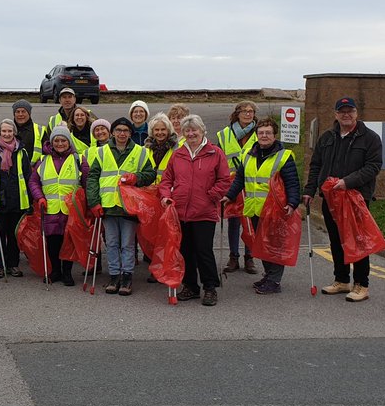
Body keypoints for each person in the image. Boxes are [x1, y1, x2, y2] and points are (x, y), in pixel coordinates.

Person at [302, 96, 383, 302]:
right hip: (331, 198)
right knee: (336, 240)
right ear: (335, 114)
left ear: (356, 113)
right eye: (342, 111)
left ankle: (361, 284)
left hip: (356, 198)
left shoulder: (370, 138)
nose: (346, 114)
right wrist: (310, 190)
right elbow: (316, 165)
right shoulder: (327, 137)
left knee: (358, 241)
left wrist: (348, 181)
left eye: (350, 111)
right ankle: (341, 279)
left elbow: (373, 167)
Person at [160, 115, 233, 305]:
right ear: (183, 133)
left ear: (202, 131)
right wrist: (166, 196)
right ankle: (191, 286)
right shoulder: (178, 154)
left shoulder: (215, 153)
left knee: (203, 251)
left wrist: (211, 196)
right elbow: (167, 179)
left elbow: (224, 180)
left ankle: (210, 287)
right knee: (185, 251)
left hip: (204, 212)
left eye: (195, 130)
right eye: (187, 131)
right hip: (181, 212)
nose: (191, 134)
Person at [223, 117, 300, 295]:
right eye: (261, 133)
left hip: (275, 210)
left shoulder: (284, 156)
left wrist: (292, 203)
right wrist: (229, 195)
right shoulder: (249, 155)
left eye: (268, 133)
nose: (264, 136)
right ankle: (269, 275)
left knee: (274, 245)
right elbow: (240, 179)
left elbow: (292, 183)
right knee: (263, 244)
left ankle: (274, 281)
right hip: (255, 209)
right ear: (256, 135)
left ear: (275, 135)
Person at [87, 117, 155, 295]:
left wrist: (136, 178)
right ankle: (114, 275)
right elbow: (92, 177)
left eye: (125, 131)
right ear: (113, 133)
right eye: (118, 130)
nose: (122, 134)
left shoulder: (140, 152)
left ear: (130, 133)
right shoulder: (102, 152)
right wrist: (94, 201)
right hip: (108, 205)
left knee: (127, 244)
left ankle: (127, 276)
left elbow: (150, 174)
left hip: (129, 206)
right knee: (111, 243)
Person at [29, 125, 89, 286]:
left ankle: (67, 272)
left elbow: (87, 183)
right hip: (50, 209)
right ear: (52, 142)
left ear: (69, 142)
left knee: (68, 242)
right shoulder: (43, 160)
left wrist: (86, 203)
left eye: (63, 140)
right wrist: (39, 197)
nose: (60, 143)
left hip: (71, 209)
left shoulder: (78, 159)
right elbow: (33, 182)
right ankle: (55, 271)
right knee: (53, 242)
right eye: (57, 140)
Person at [0, 119, 33, 278]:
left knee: (14, 235)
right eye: (4, 131)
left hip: (18, 201)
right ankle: (0, 266)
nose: (7, 134)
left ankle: (13, 264)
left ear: (14, 133)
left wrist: (31, 199)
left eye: (10, 131)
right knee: (0, 234)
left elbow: (28, 177)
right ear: (0, 133)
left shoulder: (22, 151)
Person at [217, 101, 259, 275]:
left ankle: (250, 256)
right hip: (231, 184)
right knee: (233, 221)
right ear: (237, 113)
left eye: (251, 112)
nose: (248, 114)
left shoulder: (260, 132)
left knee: (250, 221)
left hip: (252, 185)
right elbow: (218, 161)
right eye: (245, 111)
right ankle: (233, 256)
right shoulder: (224, 135)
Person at [12, 99, 47, 165]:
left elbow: (47, 154)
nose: (20, 114)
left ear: (29, 113)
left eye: (23, 111)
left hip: (34, 171)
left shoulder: (40, 130)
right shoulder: (8, 130)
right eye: (17, 112)